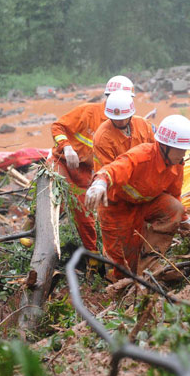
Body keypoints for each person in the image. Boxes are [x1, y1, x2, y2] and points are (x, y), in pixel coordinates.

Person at [85, 115, 190, 281]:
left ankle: (150, 266)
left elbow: (174, 194)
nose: (183, 154)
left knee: (175, 209)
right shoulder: (142, 156)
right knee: (123, 263)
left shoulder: (176, 164)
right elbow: (113, 169)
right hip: (117, 209)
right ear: (165, 146)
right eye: (180, 149)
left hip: (144, 205)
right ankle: (119, 289)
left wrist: (184, 220)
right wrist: (100, 183)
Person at [49, 75, 134, 268]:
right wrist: (67, 147)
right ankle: (34, 222)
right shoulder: (88, 112)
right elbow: (57, 126)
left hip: (86, 172)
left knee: (84, 213)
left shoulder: (126, 126)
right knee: (54, 194)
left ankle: (93, 258)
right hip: (63, 161)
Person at [92, 90, 155, 172]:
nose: (120, 122)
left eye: (123, 118)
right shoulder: (102, 138)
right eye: (116, 119)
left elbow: (156, 150)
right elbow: (112, 172)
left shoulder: (143, 124)